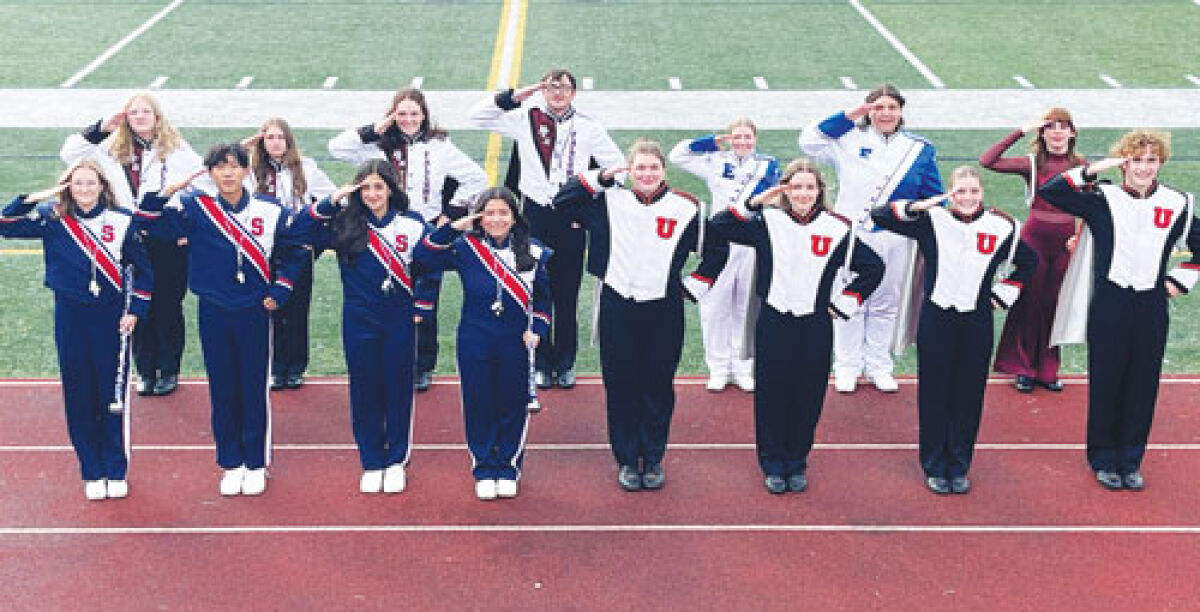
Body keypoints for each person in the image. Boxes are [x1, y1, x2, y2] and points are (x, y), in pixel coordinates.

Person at [687, 159, 883, 494]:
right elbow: (719, 226)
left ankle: (797, 461)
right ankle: (773, 462)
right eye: (795, 187)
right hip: (774, 321)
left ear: (820, 191)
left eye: (810, 187)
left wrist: (845, 302)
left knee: (808, 394)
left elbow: (873, 267)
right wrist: (753, 204)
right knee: (772, 394)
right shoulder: (767, 221)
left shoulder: (837, 228)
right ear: (785, 191)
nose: (803, 193)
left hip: (815, 324)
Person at [140, 143, 307, 497]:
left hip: (255, 309)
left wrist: (279, 292)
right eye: (220, 167)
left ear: (247, 170)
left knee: (253, 386)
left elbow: (293, 254)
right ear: (210, 173)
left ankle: (256, 462)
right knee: (222, 387)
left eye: (234, 166)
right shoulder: (194, 208)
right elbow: (149, 225)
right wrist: (163, 194)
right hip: (214, 308)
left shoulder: (270, 209)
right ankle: (231, 462)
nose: (227, 173)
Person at [1039, 130, 1198, 491]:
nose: (1144, 168)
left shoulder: (1178, 203)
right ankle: (1102, 457)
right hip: (1111, 301)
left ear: (1161, 163)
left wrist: (1177, 282)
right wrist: (1096, 169)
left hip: (1151, 304)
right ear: (1125, 162)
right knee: (1107, 380)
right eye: (1136, 159)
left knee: (1143, 383)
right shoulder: (1101, 197)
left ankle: (1130, 459)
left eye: (1151, 160)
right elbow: (1051, 191)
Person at [871, 166, 1037, 495]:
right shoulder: (932, 221)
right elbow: (881, 216)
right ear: (950, 193)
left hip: (976, 321)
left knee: (968, 395)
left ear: (982, 193)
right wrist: (919, 206)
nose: (967, 198)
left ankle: (959, 464)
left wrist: (1005, 293)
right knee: (935, 393)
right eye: (960, 192)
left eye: (974, 191)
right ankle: (934, 464)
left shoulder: (1002, 226)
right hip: (937, 318)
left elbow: (1028, 262)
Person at [552, 139, 702, 492]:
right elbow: (562, 201)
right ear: (628, 171)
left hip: (664, 306)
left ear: (664, 170)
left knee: (657, 383)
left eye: (653, 167)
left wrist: (694, 286)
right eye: (639, 168)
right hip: (618, 302)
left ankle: (652, 458)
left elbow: (714, 249)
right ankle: (626, 459)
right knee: (620, 384)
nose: (647, 174)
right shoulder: (607, 200)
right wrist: (601, 177)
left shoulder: (688, 207)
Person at [1, 160, 152, 500]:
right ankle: (91, 469)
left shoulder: (120, 220)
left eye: (90, 183)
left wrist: (136, 310)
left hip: (112, 318)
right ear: (67, 186)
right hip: (70, 316)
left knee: (111, 395)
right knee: (79, 393)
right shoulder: (53, 219)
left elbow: (143, 271)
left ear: (102, 186)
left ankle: (116, 467)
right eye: (77, 183)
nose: (84, 190)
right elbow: (5, 224)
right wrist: (33, 197)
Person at [469, 68, 624, 390]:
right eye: (551, 87)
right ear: (543, 90)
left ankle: (565, 363)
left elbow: (618, 169)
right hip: (534, 215)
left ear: (574, 92)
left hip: (570, 217)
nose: (557, 93)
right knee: (536, 291)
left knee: (566, 296)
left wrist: (589, 185)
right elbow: (478, 116)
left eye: (563, 87)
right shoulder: (525, 117)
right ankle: (540, 361)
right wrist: (522, 93)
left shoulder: (588, 126)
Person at [329, 88, 487, 392]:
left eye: (414, 113)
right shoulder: (376, 145)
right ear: (392, 115)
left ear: (424, 115)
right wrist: (374, 129)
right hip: (385, 228)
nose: (408, 119)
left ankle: (423, 365)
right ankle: (393, 360)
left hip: (425, 227)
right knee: (390, 296)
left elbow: (476, 178)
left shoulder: (439, 145)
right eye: (401, 113)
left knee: (427, 296)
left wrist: (449, 214)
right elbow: (337, 148)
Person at [294, 161, 432, 494]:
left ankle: (396, 460)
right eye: (365, 188)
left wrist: (422, 305)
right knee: (365, 390)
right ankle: (371, 460)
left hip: (399, 317)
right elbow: (299, 232)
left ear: (391, 189)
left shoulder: (411, 224)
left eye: (379, 187)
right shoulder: (344, 223)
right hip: (358, 318)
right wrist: (331, 201)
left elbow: (432, 265)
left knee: (397, 390)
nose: (372, 194)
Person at [799, 84, 944, 394]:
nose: (886, 113)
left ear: (901, 111)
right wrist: (853, 114)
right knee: (848, 298)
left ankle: (879, 364)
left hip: (896, 236)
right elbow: (809, 140)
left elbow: (933, 195)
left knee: (886, 302)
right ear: (869, 111)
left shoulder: (919, 149)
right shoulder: (849, 139)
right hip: (852, 234)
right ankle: (847, 365)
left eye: (892, 107)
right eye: (878, 107)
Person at [59, 93, 205, 398]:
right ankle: (145, 369)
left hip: (166, 235)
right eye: (133, 112)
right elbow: (69, 153)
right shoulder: (110, 147)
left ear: (157, 116)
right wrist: (101, 127)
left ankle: (168, 370)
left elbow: (202, 183)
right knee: (135, 304)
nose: (139, 117)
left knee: (167, 305)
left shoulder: (175, 148)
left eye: (146, 111)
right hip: (126, 234)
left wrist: (187, 227)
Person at [413, 187, 551, 501]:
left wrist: (539, 329)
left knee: (513, 404)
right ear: (480, 216)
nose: (497, 219)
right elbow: (422, 257)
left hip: (515, 340)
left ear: (515, 217)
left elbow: (543, 300)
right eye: (489, 213)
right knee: (479, 403)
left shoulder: (535, 250)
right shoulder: (465, 248)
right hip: (474, 337)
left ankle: (509, 465)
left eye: (504, 212)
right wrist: (454, 227)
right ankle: (484, 465)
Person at [980, 108, 1087, 393]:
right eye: (1050, 127)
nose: (1057, 132)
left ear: (1072, 132)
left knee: (1054, 305)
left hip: (1065, 242)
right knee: (1029, 303)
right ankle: (1023, 368)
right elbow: (987, 161)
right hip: (1034, 239)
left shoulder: (1081, 164)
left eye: (1063, 127)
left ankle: (1048, 368)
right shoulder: (1031, 163)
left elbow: (1091, 206)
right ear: (1042, 133)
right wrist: (1021, 130)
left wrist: (1078, 237)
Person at [669, 119, 780, 392]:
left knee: (746, 306)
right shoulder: (714, 161)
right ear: (730, 138)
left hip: (752, 243)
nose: (743, 142)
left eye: (747, 137)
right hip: (718, 242)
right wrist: (711, 141)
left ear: (755, 138)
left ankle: (743, 367)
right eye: (737, 137)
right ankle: (718, 368)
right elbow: (677, 155)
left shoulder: (769, 165)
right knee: (715, 307)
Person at [244, 118, 337, 390]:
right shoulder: (249, 169)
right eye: (269, 137)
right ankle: (273, 367)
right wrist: (244, 146)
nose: (275, 142)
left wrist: (314, 238)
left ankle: (295, 368)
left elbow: (332, 200)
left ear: (289, 141)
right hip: (261, 249)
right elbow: (212, 170)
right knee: (267, 308)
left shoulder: (306, 168)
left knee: (296, 311)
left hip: (297, 250)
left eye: (280, 137)